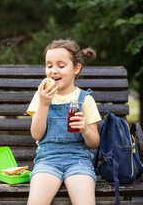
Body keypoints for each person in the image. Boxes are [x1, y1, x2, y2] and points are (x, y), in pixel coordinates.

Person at [27, 39, 101, 205]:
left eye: (61, 66)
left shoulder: (85, 100)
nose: (54, 71)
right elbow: (36, 134)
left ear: (76, 68)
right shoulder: (40, 96)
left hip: (79, 161)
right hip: (47, 160)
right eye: (49, 65)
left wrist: (85, 130)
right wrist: (44, 104)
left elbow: (94, 142)